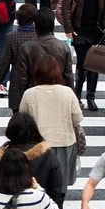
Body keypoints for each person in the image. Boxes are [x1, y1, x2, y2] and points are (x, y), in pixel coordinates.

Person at [18, 56, 82, 199]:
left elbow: (23, 119)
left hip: (37, 146)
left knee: (38, 182)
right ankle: (58, 205)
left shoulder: (29, 94)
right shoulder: (67, 92)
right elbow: (77, 118)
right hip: (64, 142)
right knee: (60, 182)